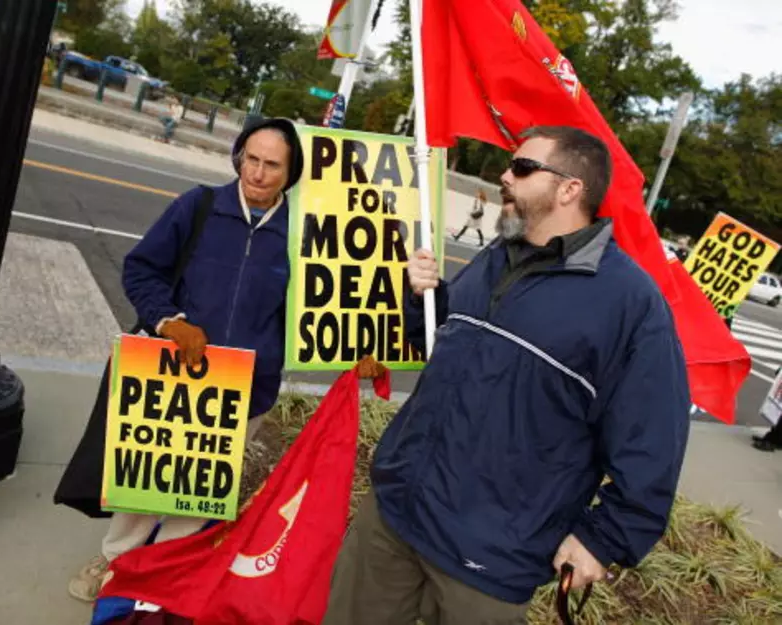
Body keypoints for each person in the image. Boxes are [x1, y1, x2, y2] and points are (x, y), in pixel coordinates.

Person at [322, 126, 691, 624]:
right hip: (395, 517)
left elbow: (652, 443)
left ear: (569, 189)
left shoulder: (630, 303)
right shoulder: (497, 255)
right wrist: (420, 302)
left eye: (521, 168)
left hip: (489, 560)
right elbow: (444, 346)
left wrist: (603, 540)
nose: (504, 175)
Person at [57, 117, 305, 603]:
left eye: (271, 165)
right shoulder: (199, 206)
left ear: (290, 173)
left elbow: (322, 309)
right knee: (146, 481)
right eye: (249, 159)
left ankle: (162, 575)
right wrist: (169, 321)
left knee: (199, 491)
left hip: (246, 387)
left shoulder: (303, 233)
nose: (256, 173)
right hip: (174, 375)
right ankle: (114, 561)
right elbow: (141, 269)